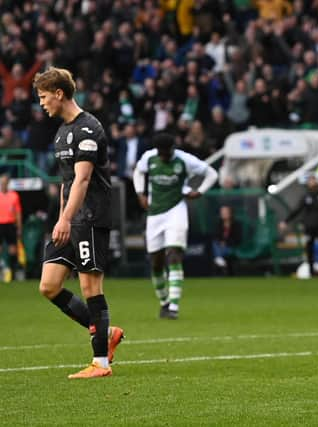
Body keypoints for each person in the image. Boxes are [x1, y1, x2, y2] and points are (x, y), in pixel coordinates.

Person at [33, 67, 124, 379]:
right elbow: (66, 182)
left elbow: (83, 180)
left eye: (44, 97)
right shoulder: (61, 133)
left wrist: (68, 219)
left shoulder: (88, 129)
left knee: (89, 286)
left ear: (59, 94)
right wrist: (61, 219)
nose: (42, 103)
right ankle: (106, 332)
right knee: (49, 285)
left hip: (90, 217)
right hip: (70, 219)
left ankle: (101, 363)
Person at [133, 132, 218, 320]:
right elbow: (138, 171)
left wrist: (200, 191)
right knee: (156, 263)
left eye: (167, 152)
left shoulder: (185, 160)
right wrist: (140, 193)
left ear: (172, 148)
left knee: (174, 255)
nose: (164, 156)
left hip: (176, 211)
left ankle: (173, 307)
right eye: (161, 153)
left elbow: (211, 173)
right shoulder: (149, 157)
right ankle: (164, 302)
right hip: (154, 214)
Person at [280, 175, 318, 276]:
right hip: (310, 227)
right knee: (309, 249)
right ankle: (311, 271)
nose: (312, 183)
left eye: (314, 181)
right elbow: (297, 210)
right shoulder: (306, 197)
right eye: (310, 181)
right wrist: (286, 221)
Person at [0, 174, 22, 283]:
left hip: (10, 224)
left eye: (4, 182)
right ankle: (2, 271)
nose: (3, 184)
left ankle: (13, 273)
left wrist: (19, 227)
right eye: (1, 182)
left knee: (13, 250)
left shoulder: (14, 195)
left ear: (7, 183)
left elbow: (18, 212)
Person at [212, 205, 243, 275]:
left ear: (230, 213)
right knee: (214, 244)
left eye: (225, 212)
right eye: (222, 212)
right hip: (220, 247)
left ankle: (219, 259)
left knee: (219, 248)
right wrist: (221, 242)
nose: (223, 214)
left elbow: (237, 239)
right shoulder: (218, 224)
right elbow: (216, 237)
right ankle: (219, 259)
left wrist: (226, 243)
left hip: (231, 247)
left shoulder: (236, 225)